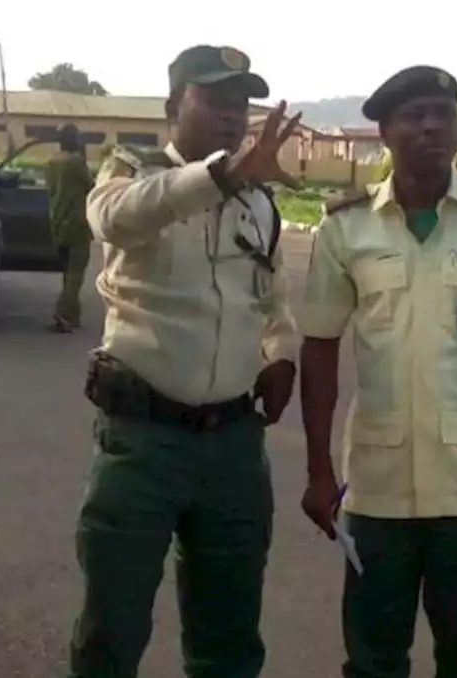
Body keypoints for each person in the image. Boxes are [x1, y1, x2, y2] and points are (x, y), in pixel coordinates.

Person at [298, 66, 457, 678]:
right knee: (371, 659)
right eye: (414, 116)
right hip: (375, 488)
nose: (430, 127)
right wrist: (318, 469)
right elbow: (318, 347)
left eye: (442, 114)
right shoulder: (348, 225)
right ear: (385, 132)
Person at [68, 45, 301, 678]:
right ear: (174, 108)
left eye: (241, 106)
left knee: (228, 637)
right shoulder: (133, 174)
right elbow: (111, 221)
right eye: (215, 101)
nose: (232, 118)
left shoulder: (258, 204)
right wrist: (218, 176)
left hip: (232, 446)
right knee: (111, 630)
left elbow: (273, 298)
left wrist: (281, 353)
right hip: (143, 441)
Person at [45, 122, 95, 332]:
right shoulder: (76, 163)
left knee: (68, 271)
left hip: (57, 221)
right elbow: (91, 187)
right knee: (76, 272)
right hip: (77, 222)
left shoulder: (51, 163)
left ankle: (73, 314)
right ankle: (63, 311)